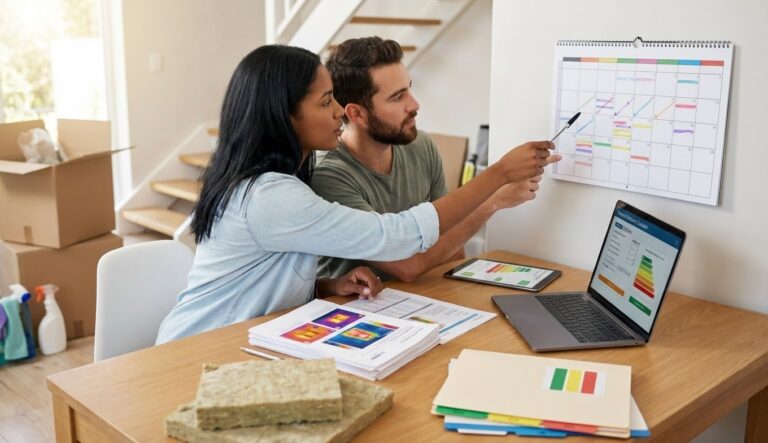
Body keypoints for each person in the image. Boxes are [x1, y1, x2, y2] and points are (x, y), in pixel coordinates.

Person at [155, 44, 559, 344]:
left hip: (248, 336)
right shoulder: (268, 196)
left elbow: (256, 280)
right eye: (326, 102)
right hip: (199, 348)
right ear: (285, 114)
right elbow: (395, 237)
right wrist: (497, 176)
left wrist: (326, 286)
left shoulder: (282, 182)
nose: (338, 113)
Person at [312, 37, 544, 282]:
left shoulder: (421, 146)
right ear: (357, 114)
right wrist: (491, 203)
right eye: (397, 97)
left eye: (409, 89)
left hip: (422, 301)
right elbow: (407, 267)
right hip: (352, 313)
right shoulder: (330, 176)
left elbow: (453, 248)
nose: (414, 104)